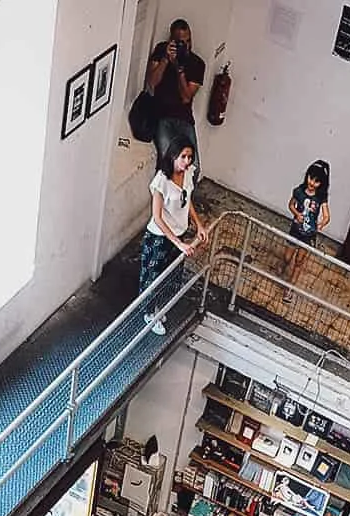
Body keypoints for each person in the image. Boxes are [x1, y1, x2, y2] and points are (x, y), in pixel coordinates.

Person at [140, 140, 207, 336]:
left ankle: (160, 308)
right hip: (160, 238)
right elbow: (158, 218)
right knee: (154, 276)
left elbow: (188, 201)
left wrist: (198, 225)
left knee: (171, 275)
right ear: (173, 156)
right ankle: (149, 314)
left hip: (179, 233)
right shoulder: (162, 181)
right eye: (183, 157)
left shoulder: (187, 174)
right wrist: (178, 243)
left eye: (189, 157)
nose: (187, 161)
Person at [146, 19, 205, 176]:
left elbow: (186, 97)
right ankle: (165, 198)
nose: (185, 46)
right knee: (168, 163)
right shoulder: (161, 51)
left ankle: (184, 199)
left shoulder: (197, 64)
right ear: (171, 40)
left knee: (193, 168)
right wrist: (166, 59)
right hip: (161, 115)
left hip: (184, 119)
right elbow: (152, 82)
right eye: (180, 42)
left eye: (188, 41)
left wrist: (179, 69)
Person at [284, 160, 331, 301]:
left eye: (316, 182)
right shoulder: (299, 191)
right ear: (307, 176)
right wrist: (297, 214)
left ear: (321, 184)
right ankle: (284, 269)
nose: (312, 183)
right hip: (295, 230)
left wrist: (322, 223)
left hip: (309, 234)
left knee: (299, 261)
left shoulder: (320, 197)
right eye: (311, 178)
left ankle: (289, 289)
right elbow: (291, 204)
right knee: (287, 257)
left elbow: (327, 215)